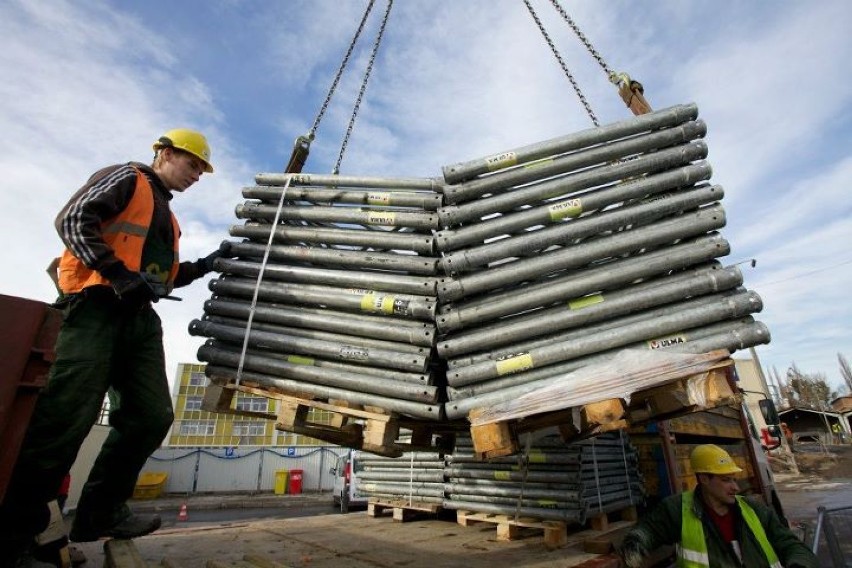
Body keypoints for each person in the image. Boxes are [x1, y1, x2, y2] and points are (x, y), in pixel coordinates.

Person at [0, 129, 234, 566]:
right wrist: (115, 273)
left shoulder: (166, 216)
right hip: (93, 308)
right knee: (63, 421)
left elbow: (158, 275)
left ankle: (99, 512)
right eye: (193, 165)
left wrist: (205, 265)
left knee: (151, 415)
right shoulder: (126, 179)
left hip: (137, 316)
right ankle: (13, 536)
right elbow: (71, 220)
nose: (197, 175)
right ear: (165, 154)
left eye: (202, 170)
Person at [619, 444, 818, 568]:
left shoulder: (754, 509)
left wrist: (799, 564)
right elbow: (649, 530)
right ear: (704, 479)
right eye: (726, 480)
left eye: (734, 479)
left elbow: (791, 544)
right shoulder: (678, 509)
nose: (735, 487)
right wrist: (635, 545)